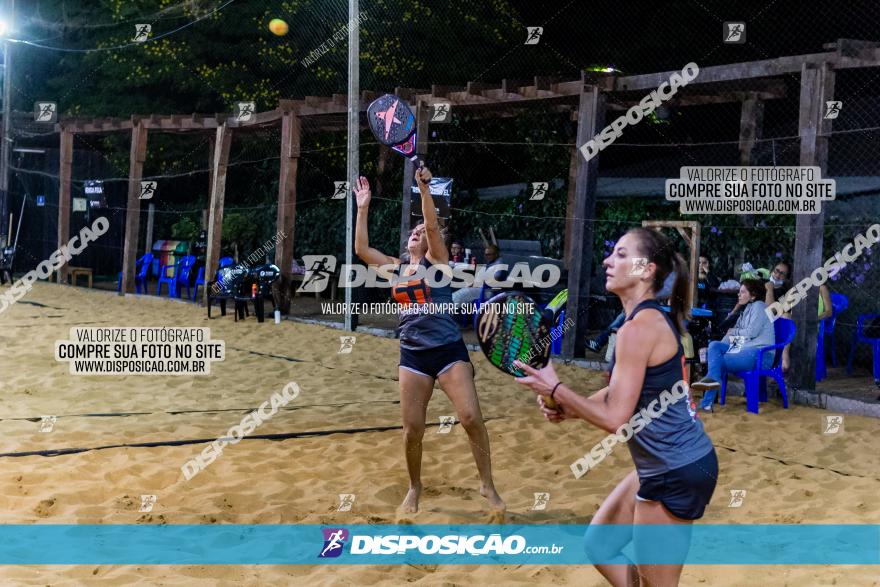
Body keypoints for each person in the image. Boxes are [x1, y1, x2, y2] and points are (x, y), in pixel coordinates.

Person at [515, 227, 717, 587]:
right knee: (600, 545)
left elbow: (615, 418)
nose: (608, 261)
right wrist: (568, 407)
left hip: (676, 469)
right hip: (671, 463)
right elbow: (622, 394)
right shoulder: (642, 321)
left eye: (622, 255)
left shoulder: (638, 328)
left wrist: (558, 389)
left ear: (646, 269)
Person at [354, 168, 504, 514]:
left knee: (470, 418)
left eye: (421, 232)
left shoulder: (439, 262)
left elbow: (433, 226)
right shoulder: (395, 267)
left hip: (449, 350)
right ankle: (414, 486)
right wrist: (363, 207)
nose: (417, 233)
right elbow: (362, 249)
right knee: (412, 431)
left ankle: (487, 485)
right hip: (413, 355)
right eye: (414, 231)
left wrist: (424, 191)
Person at [692, 279, 776, 410]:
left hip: (760, 355)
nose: (739, 295)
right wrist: (722, 347)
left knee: (718, 361)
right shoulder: (747, 309)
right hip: (744, 350)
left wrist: (734, 332)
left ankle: (707, 397)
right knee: (714, 345)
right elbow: (732, 335)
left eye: (742, 292)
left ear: (753, 295)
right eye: (739, 292)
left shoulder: (760, 306)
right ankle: (708, 395)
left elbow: (750, 332)